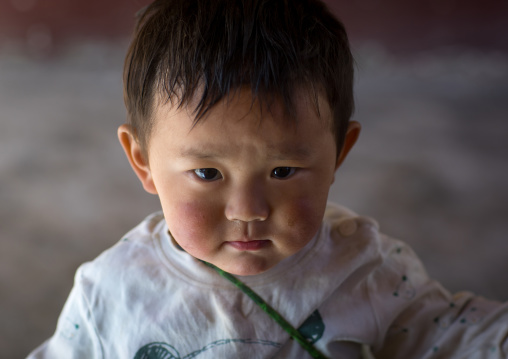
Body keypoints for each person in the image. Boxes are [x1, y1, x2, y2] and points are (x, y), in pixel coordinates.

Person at [27, 0, 508, 358]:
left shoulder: (366, 269)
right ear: (143, 162)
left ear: (340, 153)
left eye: (281, 171)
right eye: (207, 173)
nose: (248, 209)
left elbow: (457, 337)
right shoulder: (112, 291)